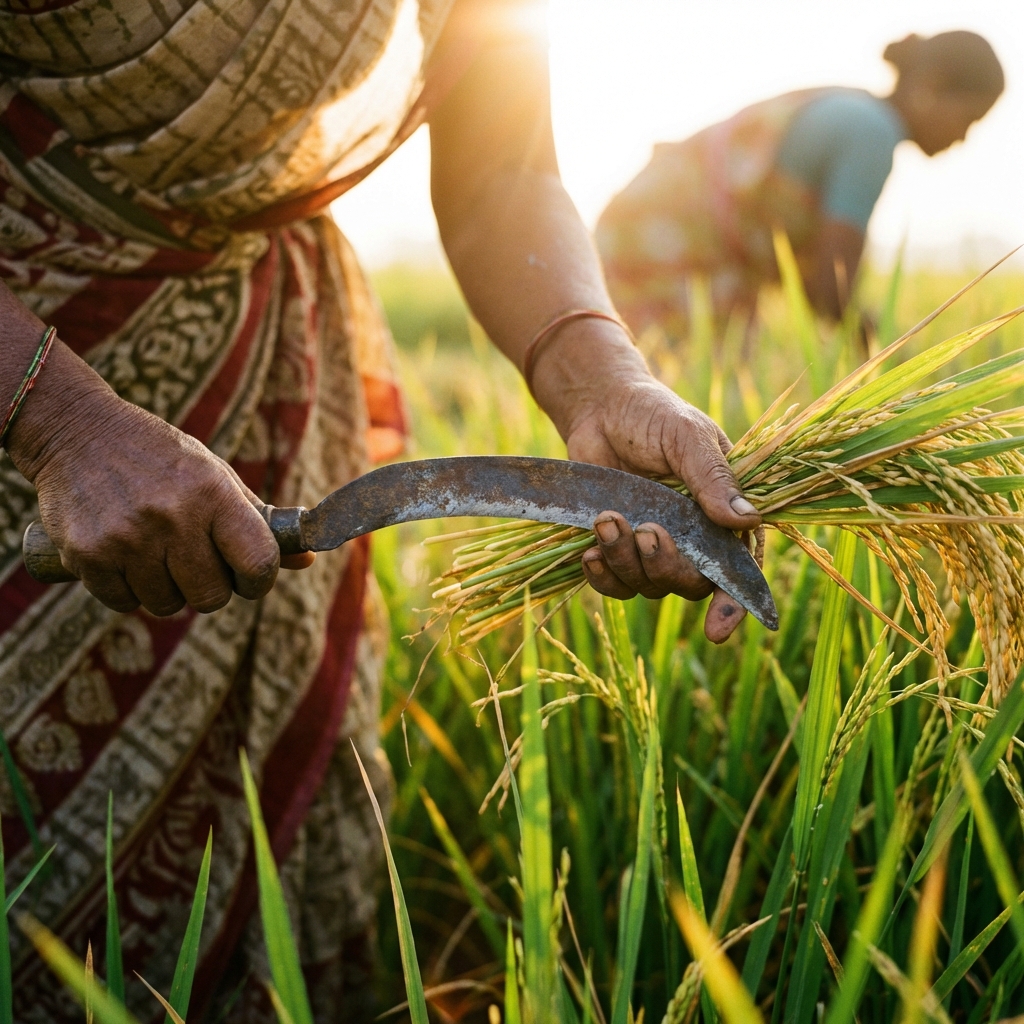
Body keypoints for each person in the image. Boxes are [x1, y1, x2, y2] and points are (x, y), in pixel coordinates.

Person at [0, 0, 760, 1017]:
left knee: (240, 847)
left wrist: (600, 381)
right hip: (27, 359)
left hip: (260, 378)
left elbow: (505, 171)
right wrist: (58, 422)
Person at [597, 31, 1004, 343]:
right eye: (967, 118)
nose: (963, 137)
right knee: (675, 397)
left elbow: (813, 284)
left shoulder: (856, 111)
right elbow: (831, 288)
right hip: (661, 248)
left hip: (649, 233)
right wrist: (887, 353)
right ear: (929, 87)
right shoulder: (873, 134)